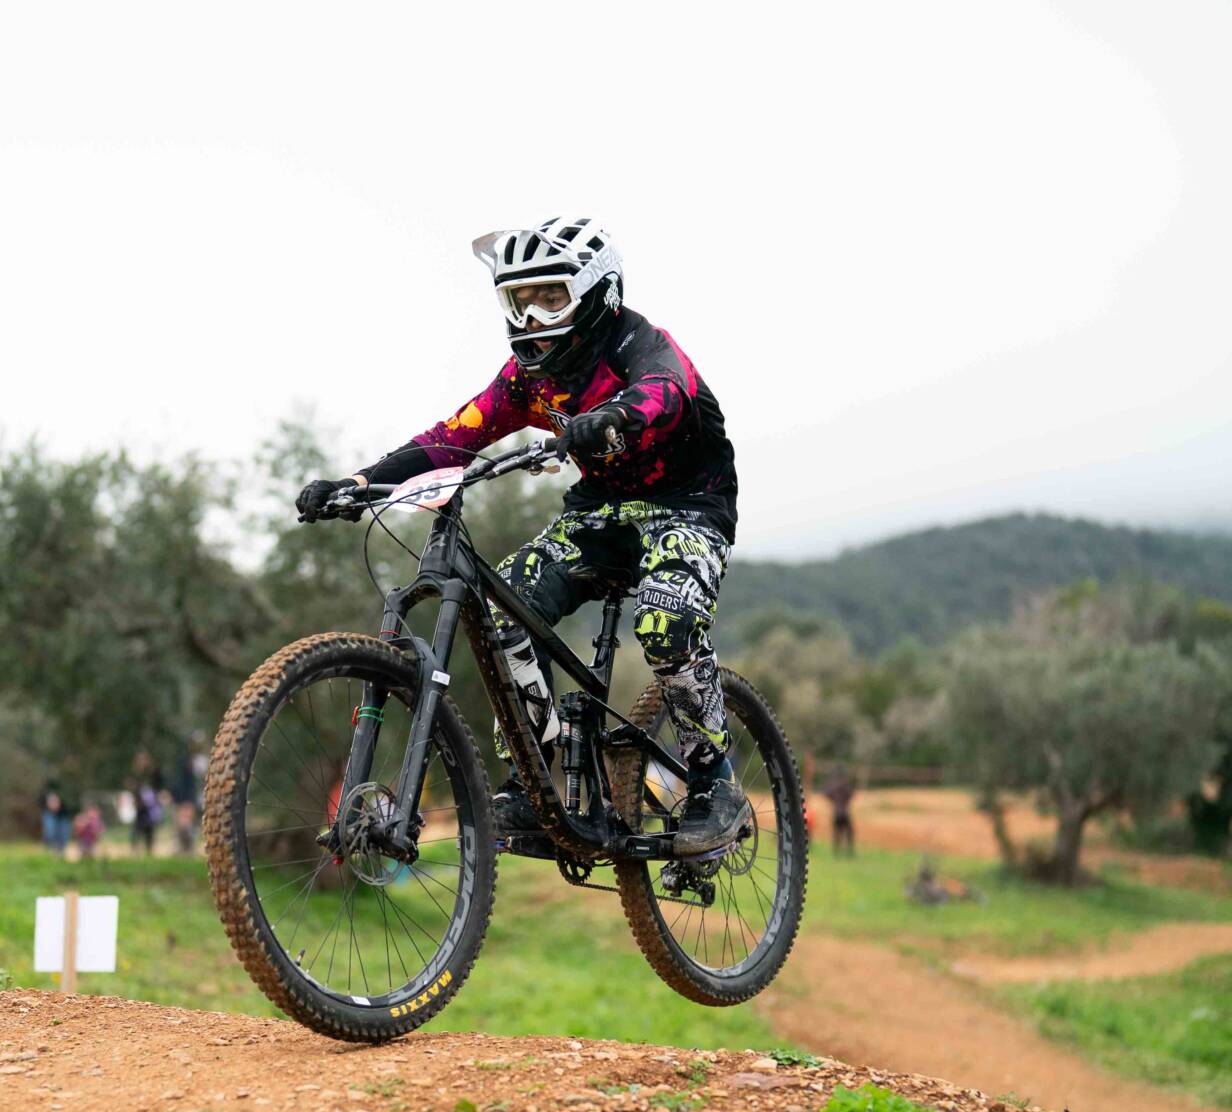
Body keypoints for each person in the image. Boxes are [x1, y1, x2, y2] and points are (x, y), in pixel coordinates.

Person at [297, 219, 748, 855]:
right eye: (519, 301)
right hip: (600, 511)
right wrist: (361, 481)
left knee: (664, 624)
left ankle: (714, 783)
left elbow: (664, 391)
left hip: (689, 505)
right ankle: (533, 786)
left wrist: (614, 414)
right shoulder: (526, 378)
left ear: (598, 294)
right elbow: (451, 439)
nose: (532, 319)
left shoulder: (637, 343)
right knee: (504, 606)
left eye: (551, 299)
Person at [171, 733, 208, 855]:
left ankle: (188, 849)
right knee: (184, 824)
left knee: (189, 824)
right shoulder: (184, 760)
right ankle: (183, 849)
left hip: (193, 797)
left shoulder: (199, 761)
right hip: (185, 797)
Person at [128, 749, 165, 854]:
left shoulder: (153, 772)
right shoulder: (136, 773)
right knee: (137, 829)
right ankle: (135, 850)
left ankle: (149, 850)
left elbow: (158, 786)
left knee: (149, 829)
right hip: (140, 806)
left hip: (150, 806)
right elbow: (134, 787)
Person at [823, 768, 858, 855]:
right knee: (849, 832)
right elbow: (852, 794)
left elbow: (827, 794)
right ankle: (849, 851)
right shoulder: (846, 787)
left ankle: (837, 851)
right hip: (844, 813)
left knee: (837, 833)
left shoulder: (834, 787)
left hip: (836, 813)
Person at [40, 777, 72, 858]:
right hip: (50, 813)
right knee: (50, 831)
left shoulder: (64, 790)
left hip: (63, 814)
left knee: (63, 833)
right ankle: (52, 849)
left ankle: (60, 851)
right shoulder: (46, 791)